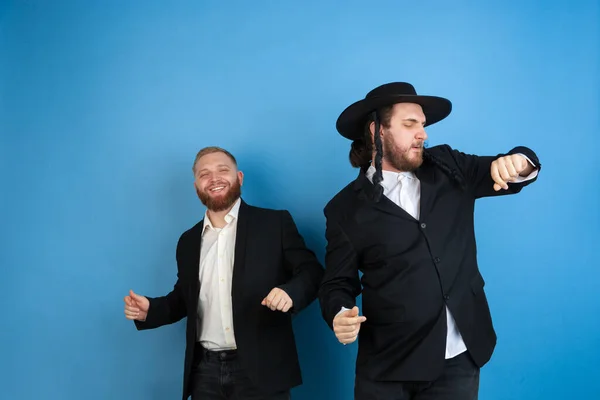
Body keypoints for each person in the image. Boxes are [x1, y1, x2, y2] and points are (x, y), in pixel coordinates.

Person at [318, 82, 541, 399]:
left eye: (422, 125)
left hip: (458, 357)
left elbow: (511, 166)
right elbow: (336, 283)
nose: (422, 134)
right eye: (410, 124)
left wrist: (519, 162)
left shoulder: (449, 165)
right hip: (387, 365)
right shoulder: (344, 208)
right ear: (377, 130)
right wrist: (340, 313)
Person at [124, 146, 324, 400]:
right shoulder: (187, 241)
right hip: (204, 373)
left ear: (239, 177)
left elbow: (312, 272)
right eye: (204, 174)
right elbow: (183, 299)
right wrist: (149, 310)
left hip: (261, 368)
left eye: (222, 170)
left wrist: (289, 293)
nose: (214, 178)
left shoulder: (275, 224)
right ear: (196, 186)